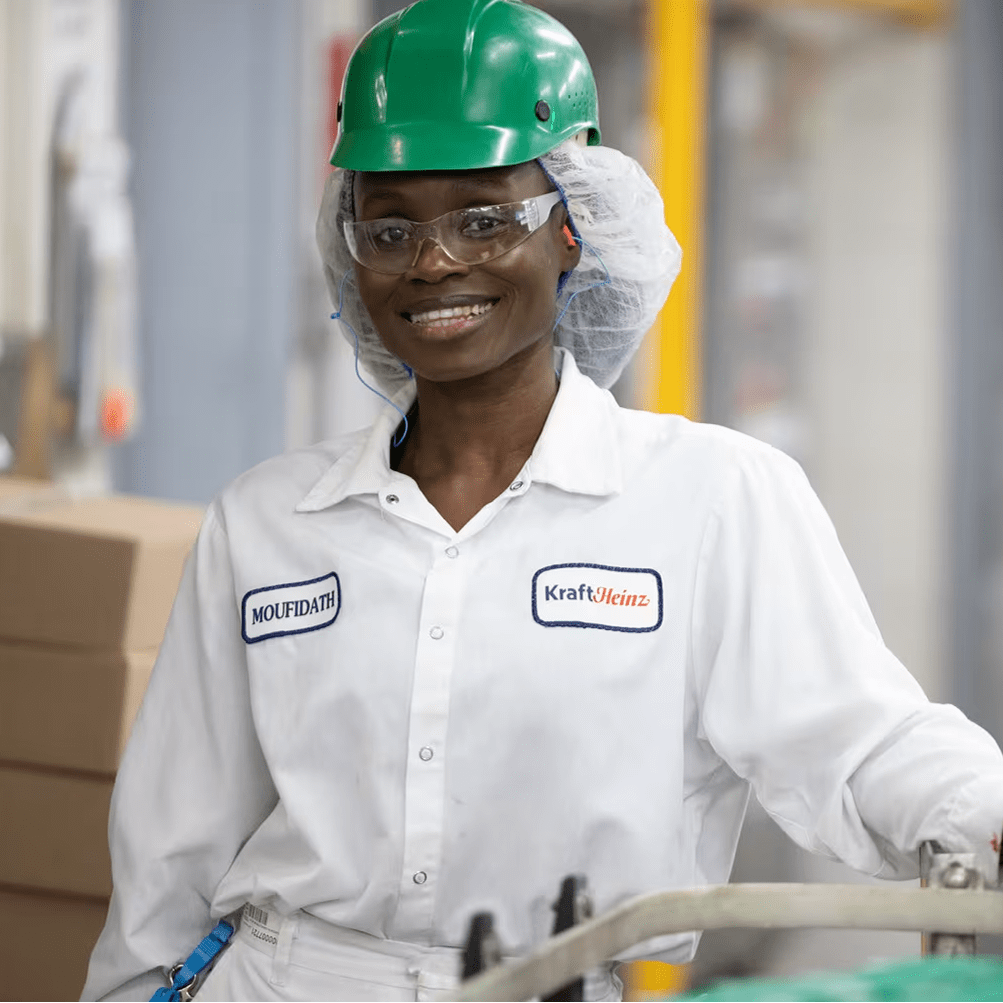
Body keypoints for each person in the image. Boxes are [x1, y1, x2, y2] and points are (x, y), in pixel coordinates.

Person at [83, 1, 1003, 1000]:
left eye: (485, 217)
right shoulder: (265, 522)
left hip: (548, 983)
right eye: (390, 226)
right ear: (350, 249)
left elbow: (861, 740)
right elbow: (169, 852)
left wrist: (978, 810)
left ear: (575, 227)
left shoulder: (707, 500)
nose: (434, 260)